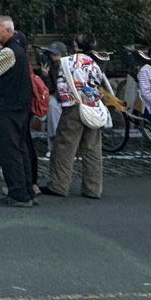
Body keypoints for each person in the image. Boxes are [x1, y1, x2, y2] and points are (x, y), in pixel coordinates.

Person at [42, 32, 110, 200]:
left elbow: (61, 85)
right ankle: (93, 188)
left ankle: (59, 185)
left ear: (75, 45)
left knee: (64, 148)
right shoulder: (96, 63)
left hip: (73, 107)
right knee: (92, 149)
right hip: (92, 107)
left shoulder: (68, 61)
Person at [0, 15, 36, 208]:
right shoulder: (18, 49)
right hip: (19, 107)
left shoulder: (9, 52)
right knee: (21, 149)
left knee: (10, 150)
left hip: (7, 108)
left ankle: (18, 193)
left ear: (8, 30)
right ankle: (27, 190)